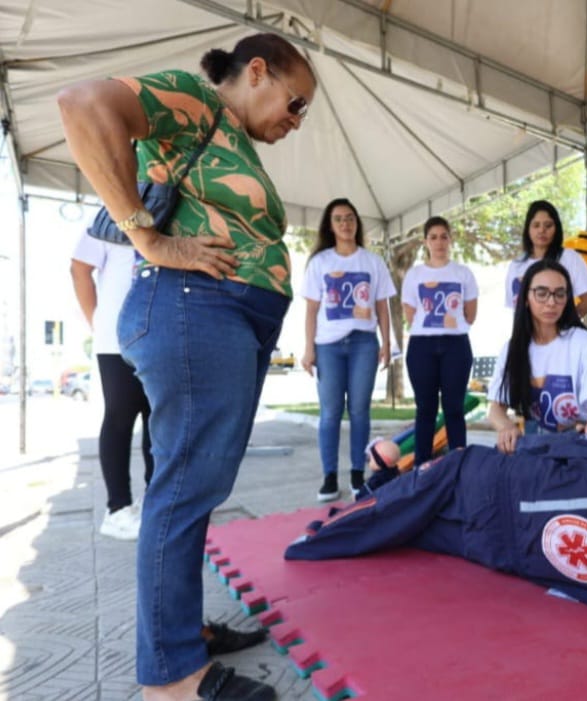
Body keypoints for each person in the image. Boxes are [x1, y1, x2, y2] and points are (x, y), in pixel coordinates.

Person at [58, 32, 316, 701]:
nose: (296, 120)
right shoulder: (197, 99)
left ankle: (182, 633)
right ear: (256, 71)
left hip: (221, 313)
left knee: (195, 485)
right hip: (193, 305)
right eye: (295, 103)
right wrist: (147, 236)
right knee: (183, 486)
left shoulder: (228, 135)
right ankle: (172, 678)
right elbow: (83, 104)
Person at [286, 433, 587, 608]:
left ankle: (338, 520)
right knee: (402, 519)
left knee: (398, 512)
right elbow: (558, 587)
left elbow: (536, 446)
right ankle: (379, 484)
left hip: (482, 492)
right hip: (493, 545)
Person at [302, 197, 396, 502]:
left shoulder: (372, 261)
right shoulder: (320, 262)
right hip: (327, 346)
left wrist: (387, 343)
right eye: (339, 219)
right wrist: (308, 349)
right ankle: (329, 477)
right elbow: (311, 310)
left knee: (359, 410)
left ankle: (358, 472)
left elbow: (382, 306)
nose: (345, 223)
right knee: (330, 412)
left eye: (350, 218)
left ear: (357, 222)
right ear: (330, 226)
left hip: (363, 343)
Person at [70, 231, 154, 540]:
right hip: (116, 337)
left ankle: (154, 504)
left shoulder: (170, 210)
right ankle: (117, 509)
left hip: (160, 335)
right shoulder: (107, 214)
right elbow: (79, 267)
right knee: (120, 417)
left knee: (158, 421)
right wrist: (97, 321)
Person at [487, 259, 587, 453]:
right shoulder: (512, 349)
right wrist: (506, 427)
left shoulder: (585, 344)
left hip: (579, 440)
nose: (551, 302)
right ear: (525, 298)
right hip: (533, 442)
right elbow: (495, 408)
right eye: (541, 293)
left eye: (560, 294)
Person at [401, 216, 478, 465]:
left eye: (444, 236)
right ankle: (422, 468)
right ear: (426, 242)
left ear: (450, 239)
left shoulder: (463, 273)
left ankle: (458, 466)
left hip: (455, 346)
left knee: (454, 408)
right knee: (425, 409)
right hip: (422, 346)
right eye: (433, 237)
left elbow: (470, 314)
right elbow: (411, 315)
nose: (439, 242)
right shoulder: (414, 275)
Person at [504, 200, 587, 317]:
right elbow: (515, 308)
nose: (541, 230)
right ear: (528, 229)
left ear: (556, 228)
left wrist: (565, 324)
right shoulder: (516, 265)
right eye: (536, 225)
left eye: (548, 225)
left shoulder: (570, 258)